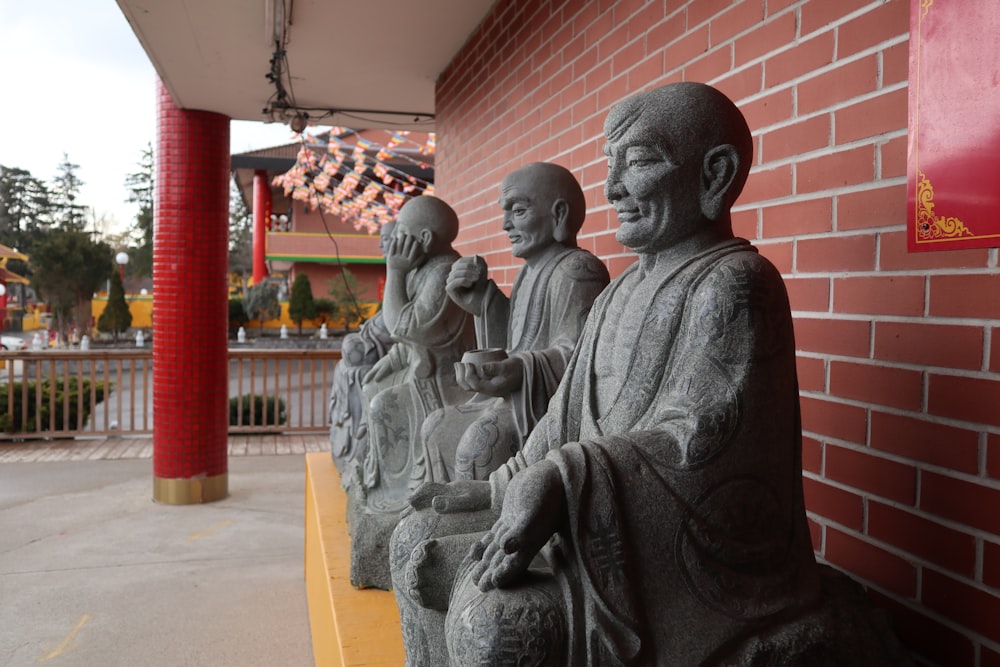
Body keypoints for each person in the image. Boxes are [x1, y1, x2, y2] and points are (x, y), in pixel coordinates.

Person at [390, 83, 897, 666]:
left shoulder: (736, 284)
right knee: (414, 541)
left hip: (666, 556)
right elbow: (563, 416)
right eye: (611, 166)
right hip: (588, 511)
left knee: (495, 628)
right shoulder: (618, 293)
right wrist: (502, 485)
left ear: (715, 176)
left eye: (638, 163)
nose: (612, 190)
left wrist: (563, 479)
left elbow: (704, 441)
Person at [417, 162, 609, 484]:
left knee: (478, 445)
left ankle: (490, 526)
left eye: (518, 211)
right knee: (436, 425)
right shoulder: (527, 273)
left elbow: (577, 357)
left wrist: (519, 369)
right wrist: (482, 302)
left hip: (544, 412)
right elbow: (518, 338)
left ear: (558, 215)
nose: (506, 224)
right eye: (505, 212)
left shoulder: (578, 271)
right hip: (514, 398)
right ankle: (446, 512)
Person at [348, 195, 476, 589]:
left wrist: (395, 271)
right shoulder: (425, 271)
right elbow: (403, 345)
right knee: (377, 394)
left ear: (422, 237)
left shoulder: (443, 273)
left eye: (401, 233)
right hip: (419, 376)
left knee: (385, 404)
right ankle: (384, 490)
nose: (395, 241)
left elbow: (405, 325)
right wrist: (383, 367)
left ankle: (403, 497)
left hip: (446, 388)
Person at [328, 221, 396, 481]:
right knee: (347, 363)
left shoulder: (412, 272)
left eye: (387, 239)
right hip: (379, 338)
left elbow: (400, 321)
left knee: (354, 360)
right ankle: (346, 433)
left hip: (394, 347)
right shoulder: (397, 272)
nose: (381, 245)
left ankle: (358, 439)